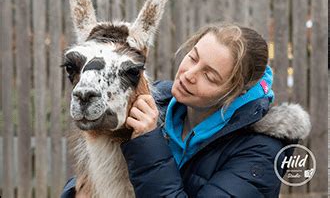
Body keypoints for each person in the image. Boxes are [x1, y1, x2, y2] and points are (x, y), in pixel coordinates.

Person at [62, 23, 306, 197]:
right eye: (193, 57)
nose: (188, 75)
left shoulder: (261, 153)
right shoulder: (160, 102)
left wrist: (148, 143)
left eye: (209, 76)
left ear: (236, 91)